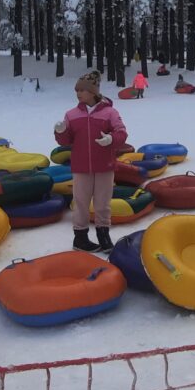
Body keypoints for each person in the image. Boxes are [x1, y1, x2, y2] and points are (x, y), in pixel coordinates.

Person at [54, 71, 127, 253]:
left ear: (93, 92)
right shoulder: (71, 115)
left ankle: (104, 235)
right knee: (81, 203)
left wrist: (111, 139)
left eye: (82, 90)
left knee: (103, 203)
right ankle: (80, 238)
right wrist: (61, 132)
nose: (78, 93)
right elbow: (65, 142)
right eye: (76, 90)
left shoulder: (110, 113)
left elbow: (122, 133)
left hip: (104, 166)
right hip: (81, 167)